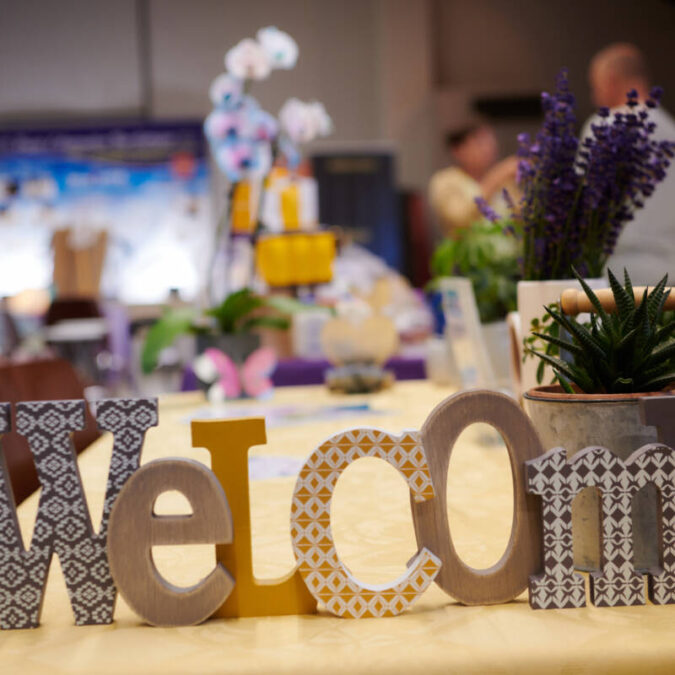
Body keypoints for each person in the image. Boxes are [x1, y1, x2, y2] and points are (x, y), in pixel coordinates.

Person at [585, 43, 675, 284]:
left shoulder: (602, 127)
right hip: (670, 272)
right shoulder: (671, 129)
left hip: (619, 275)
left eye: (596, 87)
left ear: (612, 81)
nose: (595, 97)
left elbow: (583, 202)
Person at [428, 123, 518, 237]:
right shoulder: (445, 180)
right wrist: (495, 177)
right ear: (458, 150)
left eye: (491, 143)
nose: (488, 149)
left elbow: (519, 217)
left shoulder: (505, 182)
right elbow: (459, 220)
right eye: (480, 144)